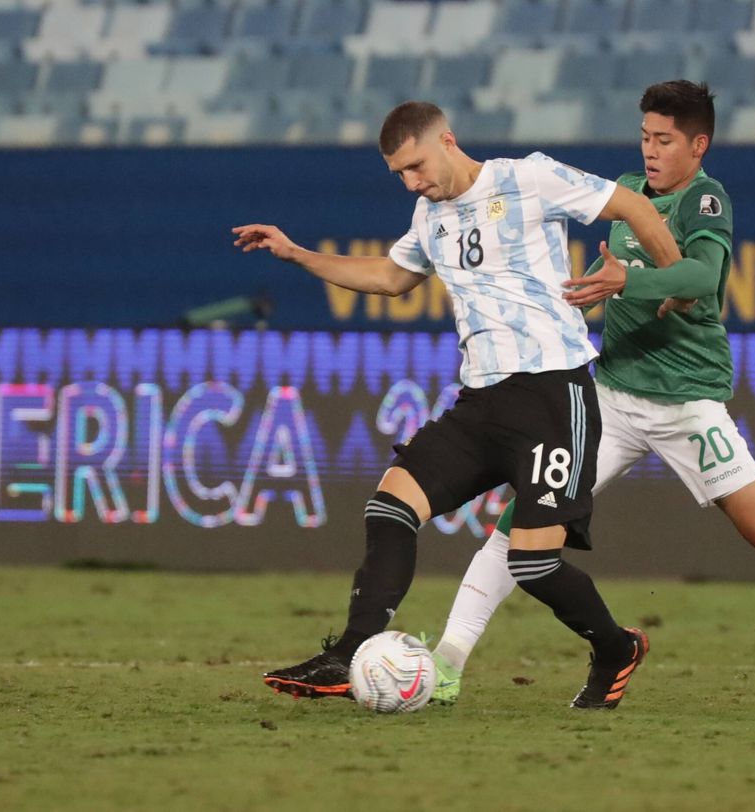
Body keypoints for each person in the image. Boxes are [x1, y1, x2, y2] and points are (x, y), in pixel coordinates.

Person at [427, 81, 755, 712]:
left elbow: (703, 278)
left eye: (665, 140)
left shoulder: (706, 201)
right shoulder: (623, 195)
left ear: (698, 145)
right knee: (518, 525)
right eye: (645, 136)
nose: (650, 150)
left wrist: (632, 280)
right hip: (611, 401)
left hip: (688, 407)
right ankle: (449, 662)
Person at [232, 100, 686, 708]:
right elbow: (392, 279)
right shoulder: (429, 214)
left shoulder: (528, 177)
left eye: (417, 165)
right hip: (482, 404)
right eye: (399, 174)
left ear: (447, 140)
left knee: (533, 565)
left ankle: (615, 648)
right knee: (390, 506)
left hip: (555, 393)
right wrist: (297, 254)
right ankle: (348, 656)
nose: (412, 181)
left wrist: (674, 283)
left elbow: (631, 205)